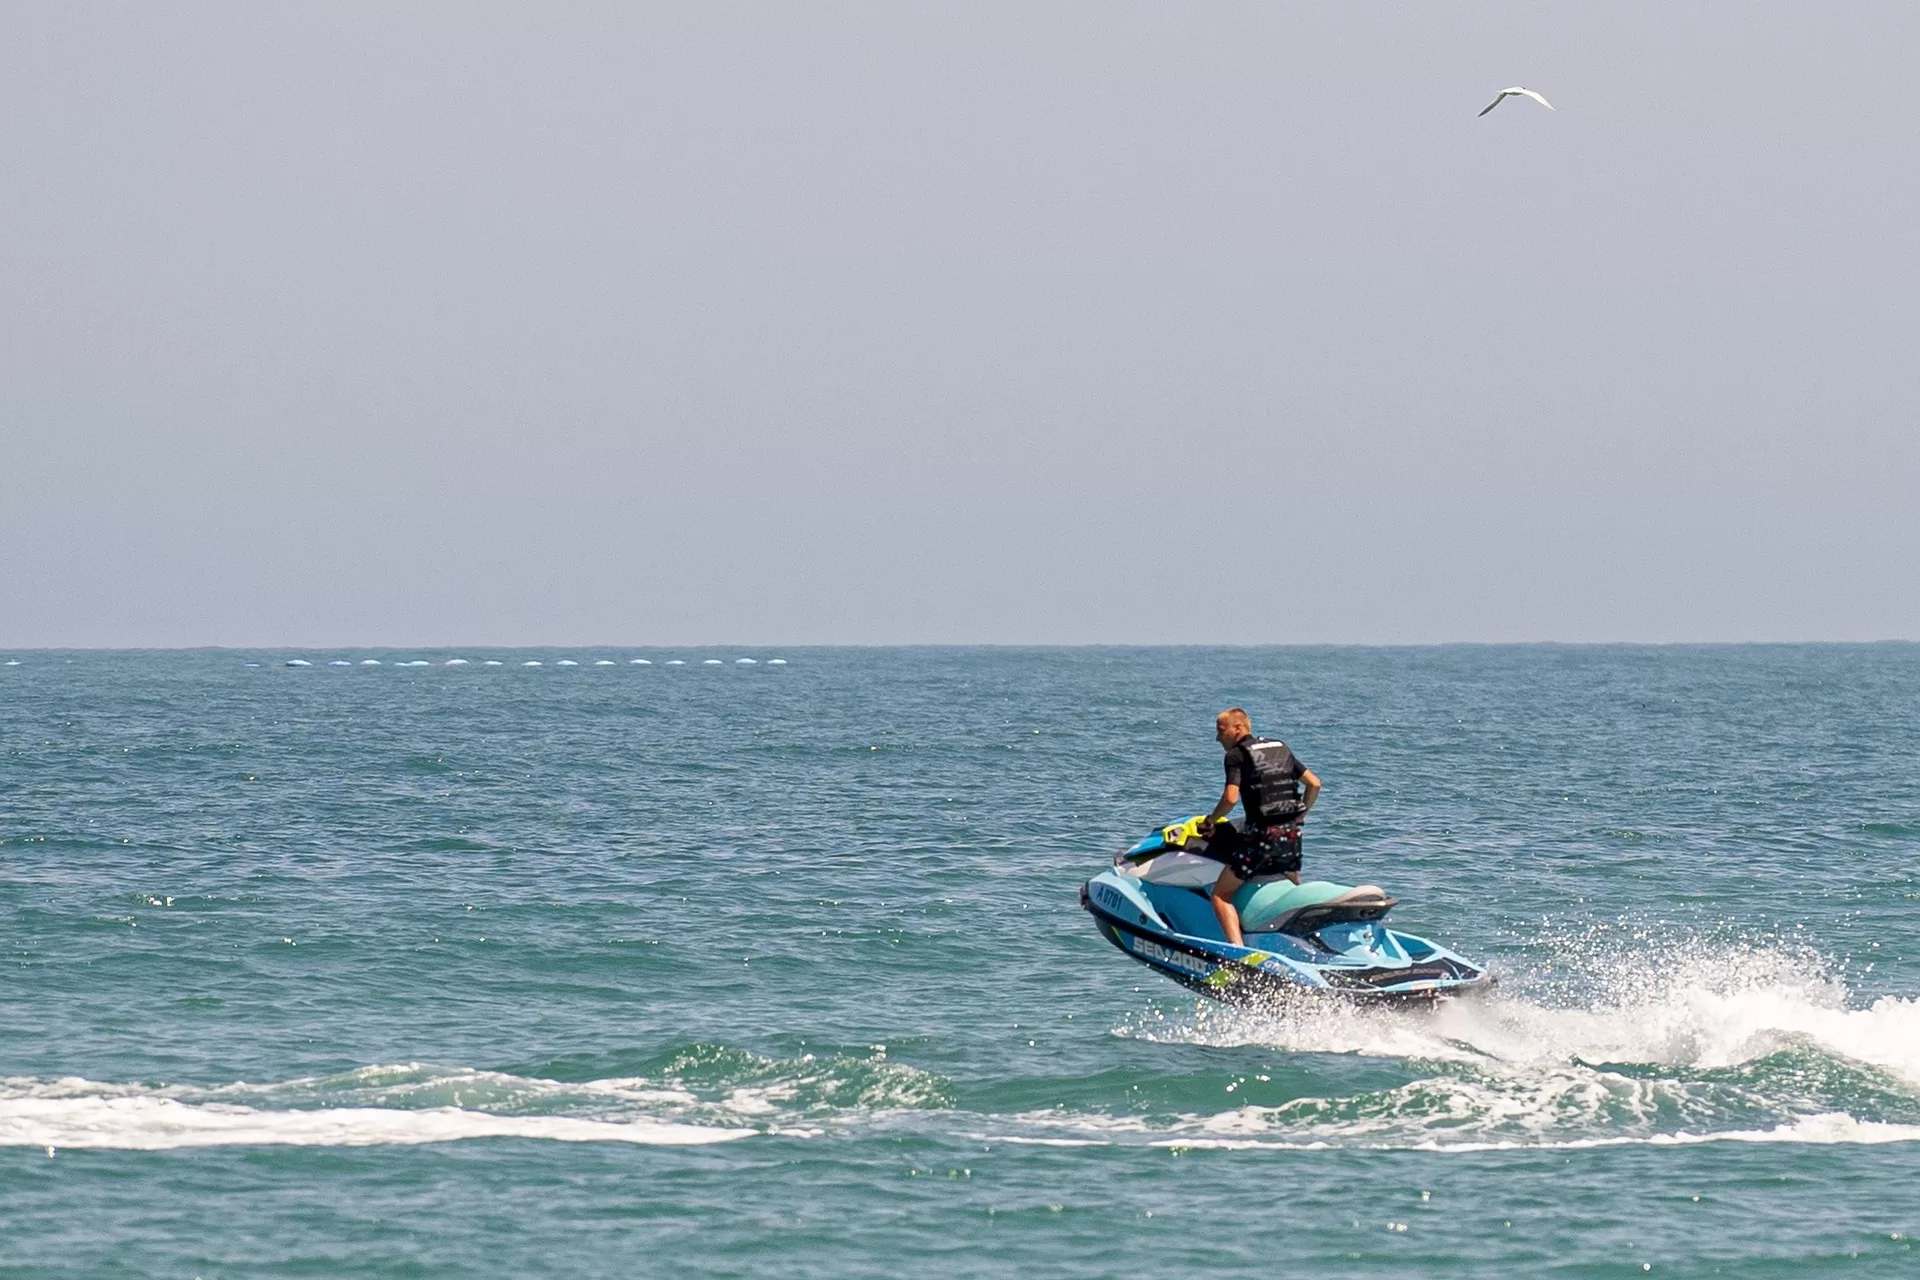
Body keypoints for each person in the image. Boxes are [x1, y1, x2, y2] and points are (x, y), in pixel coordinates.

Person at [1199, 707, 1321, 946]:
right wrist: (1301, 814)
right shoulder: (1280, 747)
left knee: (1221, 896)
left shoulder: (1236, 755)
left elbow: (1231, 799)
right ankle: (1298, 944)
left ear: (1238, 729)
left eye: (1221, 731)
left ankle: (1239, 954)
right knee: (1289, 892)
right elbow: (1314, 784)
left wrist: (1211, 821)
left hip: (1261, 837)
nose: (1217, 738)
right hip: (1292, 835)